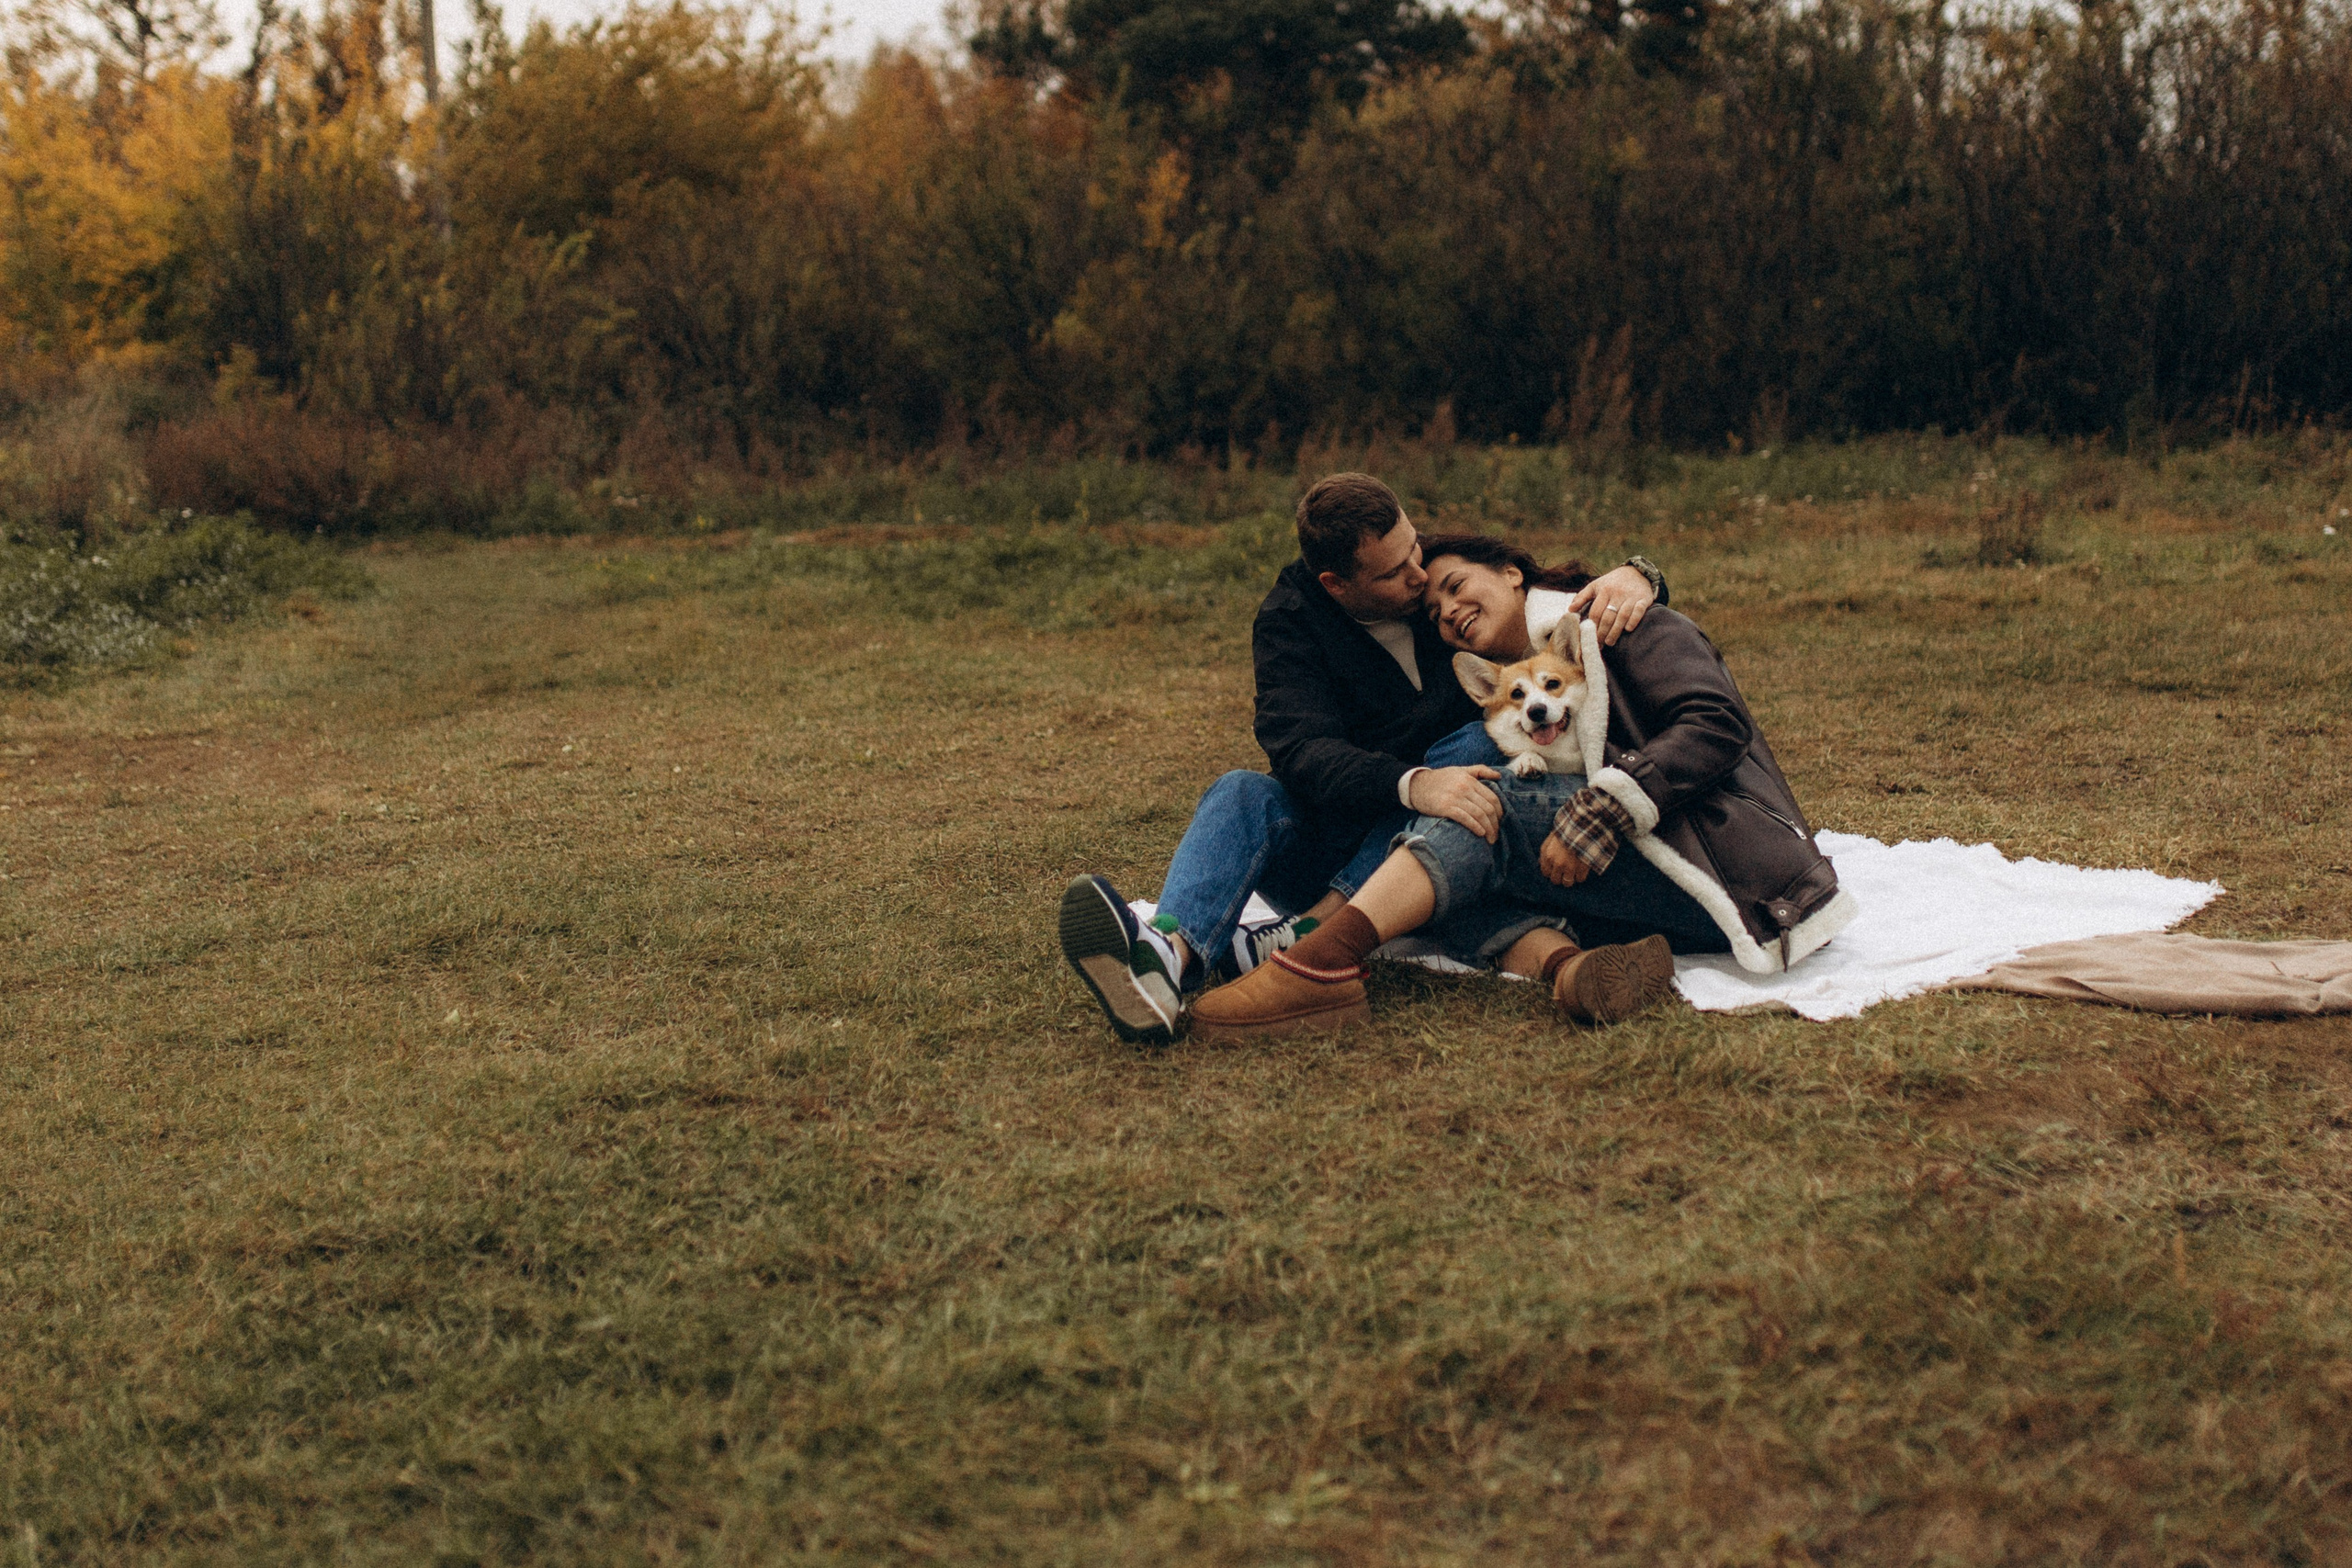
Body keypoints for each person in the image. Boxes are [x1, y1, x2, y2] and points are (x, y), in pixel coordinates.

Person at [1057, 474, 1673, 1045]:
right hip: (1347, 833)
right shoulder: (1290, 621)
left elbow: (1539, 592)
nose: (1417, 574)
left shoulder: (1436, 571)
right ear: (1336, 585)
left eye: (1413, 547)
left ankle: (1312, 940)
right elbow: (1299, 749)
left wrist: (1638, 575)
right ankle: (1167, 956)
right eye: (1392, 573)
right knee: (1241, 790)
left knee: (1486, 740)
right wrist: (1412, 784)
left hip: (1463, 824)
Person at [1183, 533, 1858, 1040]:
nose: (1446, 609)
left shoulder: (1616, 621)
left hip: (1737, 870)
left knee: (1481, 803)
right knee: (1458, 860)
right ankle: (1572, 971)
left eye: (1454, 584)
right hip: (1646, 891)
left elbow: (1716, 722)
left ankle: (1321, 959)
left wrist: (1606, 805)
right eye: (1435, 610)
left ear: (1511, 571)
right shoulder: (1500, 698)